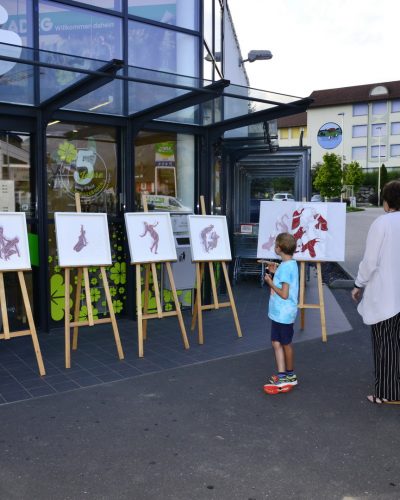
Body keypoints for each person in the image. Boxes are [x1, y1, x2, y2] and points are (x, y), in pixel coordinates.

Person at [352, 180, 400, 405]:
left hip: (387, 296)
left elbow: (370, 261)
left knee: (386, 344)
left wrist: (358, 284)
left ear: (387, 200)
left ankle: (388, 392)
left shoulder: (382, 223)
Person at [263, 232, 299, 394]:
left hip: (283, 314)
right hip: (280, 313)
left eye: (275, 244)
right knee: (277, 343)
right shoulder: (289, 265)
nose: (274, 246)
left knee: (285, 343)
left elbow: (284, 294)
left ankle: (290, 375)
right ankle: (283, 374)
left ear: (279, 248)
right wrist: (273, 273)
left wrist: (270, 282)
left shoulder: (285, 268)